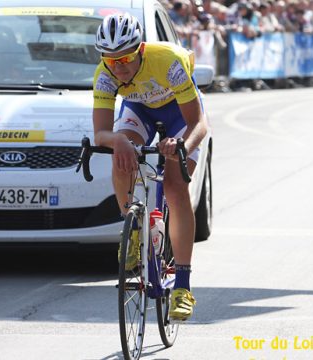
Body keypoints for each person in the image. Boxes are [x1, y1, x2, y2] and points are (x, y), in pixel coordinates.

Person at [92, 13, 208, 321]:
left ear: (141, 49)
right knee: (122, 155)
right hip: (140, 111)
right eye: (111, 60)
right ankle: (131, 229)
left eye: (126, 58)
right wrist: (117, 141)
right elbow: (101, 133)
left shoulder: (168, 60)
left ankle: (182, 287)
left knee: (174, 187)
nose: (119, 67)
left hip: (179, 115)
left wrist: (182, 146)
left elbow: (199, 123)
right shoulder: (104, 74)